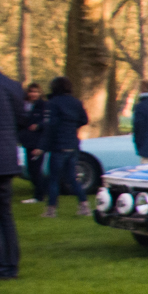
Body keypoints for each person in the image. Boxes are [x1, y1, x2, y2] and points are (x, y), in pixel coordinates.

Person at [41, 76, 89, 218]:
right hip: (72, 144)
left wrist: (43, 145)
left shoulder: (52, 103)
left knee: (54, 178)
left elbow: (50, 126)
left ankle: (51, 208)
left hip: (59, 145)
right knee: (73, 178)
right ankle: (84, 205)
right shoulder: (76, 102)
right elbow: (84, 119)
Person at [0, 69, 26, 277]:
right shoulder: (12, 86)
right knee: (5, 214)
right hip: (6, 156)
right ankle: (9, 264)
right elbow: (21, 120)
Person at [20, 82, 46, 203]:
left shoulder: (43, 106)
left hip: (38, 142)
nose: (33, 94)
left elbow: (48, 123)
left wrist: (38, 125)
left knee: (36, 169)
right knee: (31, 170)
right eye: (31, 91)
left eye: (35, 92)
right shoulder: (25, 105)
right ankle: (40, 191)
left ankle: (39, 195)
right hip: (28, 141)